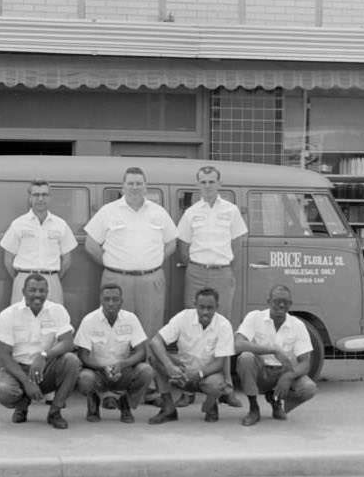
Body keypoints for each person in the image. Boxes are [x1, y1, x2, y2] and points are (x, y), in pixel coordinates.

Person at [82, 166, 177, 339]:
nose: (135, 187)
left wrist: (155, 260)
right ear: (123, 187)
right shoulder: (108, 211)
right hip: (117, 280)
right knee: (116, 326)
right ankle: (117, 364)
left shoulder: (158, 212)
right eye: (131, 183)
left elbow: (172, 242)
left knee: (150, 326)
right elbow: (90, 244)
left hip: (150, 280)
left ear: (145, 187)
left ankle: (147, 365)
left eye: (138, 183)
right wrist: (111, 264)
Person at [0, 274, 81, 429]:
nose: (37, 294)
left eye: (42, 290)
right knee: (3, 393)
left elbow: (68, 342)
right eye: (32, 290)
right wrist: (26, 382)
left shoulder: (57, 311)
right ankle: (22, 405)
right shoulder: (8, 315)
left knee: (72, 361)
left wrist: (43, 356)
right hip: (18, 368)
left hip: (45, 367)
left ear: (47, 292)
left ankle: (55, 412)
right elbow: (4, 356)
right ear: (23, 291)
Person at [145, 288, 244, 424]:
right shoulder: (183, 317)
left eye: (210, 308)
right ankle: (168, 408)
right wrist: (170, 367)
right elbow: (155, 341)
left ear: (217, 307)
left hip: (207, 373)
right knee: (154, 355)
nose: (205, 312)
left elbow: (220, 363)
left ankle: (212, 406)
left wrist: (198, 374)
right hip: (182, 370)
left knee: (216, 385)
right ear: (195, 304)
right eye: (201, 307)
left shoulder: (224, 324)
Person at [233, 284, 317, 427]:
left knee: (309, 388)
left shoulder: (297, 325)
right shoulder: (254, 317)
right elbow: (238, 345)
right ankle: (254, 408)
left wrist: (287, 377)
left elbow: (305, 363)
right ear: (268, 301)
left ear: (291, 304)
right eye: (277, 301)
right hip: (260, 370)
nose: (281, 305)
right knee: (245, 358)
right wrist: (273, 350)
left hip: (283, 371)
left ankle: (276, 401)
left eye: (285, 301)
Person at [73, 283, 156, 423]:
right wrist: (102, 368)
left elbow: (142, 352)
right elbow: (83, 356)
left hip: (123, 371)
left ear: (121, 301)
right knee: (85, 379)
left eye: (115, 299)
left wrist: (123, 364)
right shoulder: (89, 320)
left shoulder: (131, 319)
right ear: (101, 300)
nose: (111, 303)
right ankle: (93, 402)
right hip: (97, 372)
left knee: (146, 371)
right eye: (107, 299)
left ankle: (126, 403)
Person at [175, 164, 249, 308]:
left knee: (221, 315)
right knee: (193, 314)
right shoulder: (191, 212)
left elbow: (237, 244)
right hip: (196, 273)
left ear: (219, 184)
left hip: (222, 272)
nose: (207, 186)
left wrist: (226, 268)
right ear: (198, 184)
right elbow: (183, 245)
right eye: (203, 182)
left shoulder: (231, 210)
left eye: (211, 182)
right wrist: (196, 265)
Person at [0, 179, 78, 304]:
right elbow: (8, 259)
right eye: (36, 195)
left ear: (50, 198)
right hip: (24, 281)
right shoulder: (18, 224)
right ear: (30, 198)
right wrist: (21, 277)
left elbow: (67, 260)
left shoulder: (60, 225)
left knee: (53, 321)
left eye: (44, 195)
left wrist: (51, 277)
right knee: (22, 321)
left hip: (51, 281)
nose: (40, 199)